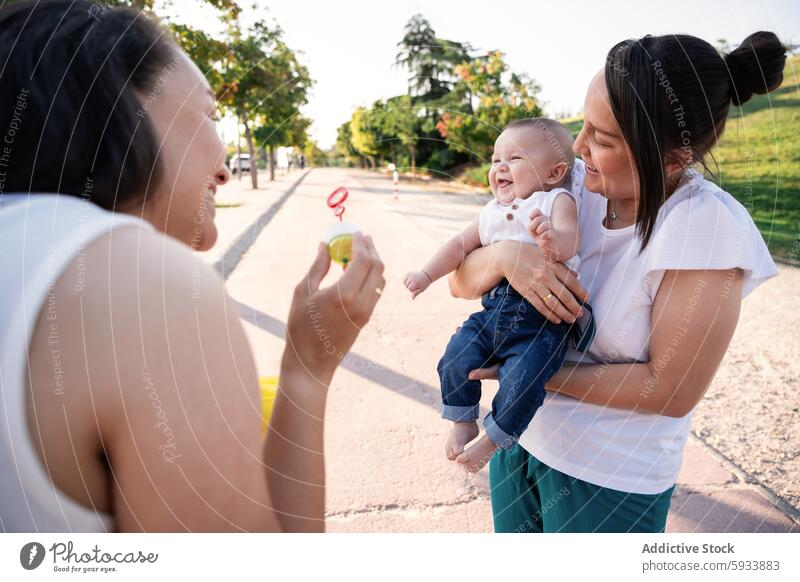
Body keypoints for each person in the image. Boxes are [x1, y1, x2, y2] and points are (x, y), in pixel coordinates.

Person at [0, 0, 384, 532]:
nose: (225, 169)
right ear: (122, 106)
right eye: (210, 114)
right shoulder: (149, 292)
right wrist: (306, 373)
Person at [448, 32, 785, 532]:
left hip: (607, 477)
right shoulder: (568, 185)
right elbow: (460, 279)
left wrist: (524, 372)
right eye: (583, 125)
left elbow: (668, 388)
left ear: (675, 157)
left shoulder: (702, 226)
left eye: (602, 139)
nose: (579, 146)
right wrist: (505, 257)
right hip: (519, 442)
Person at [404, 119, 589, 473]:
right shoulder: (489, 213)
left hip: (540, 322)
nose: (500, 167)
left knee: (525, 379)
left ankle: (493, 439)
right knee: (456, 356)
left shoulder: (555, 200)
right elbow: (459, 246)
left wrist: (552, 240)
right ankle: (463, 419)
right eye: (494, 159)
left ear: (554, 172)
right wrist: (426, 274)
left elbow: (570, 239)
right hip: (492, 312)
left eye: (514, 158)